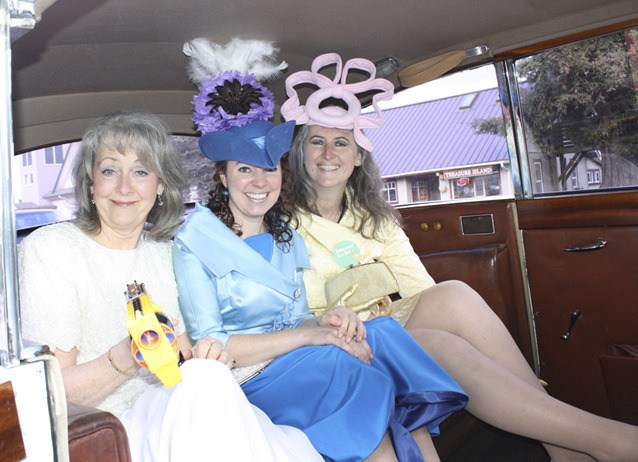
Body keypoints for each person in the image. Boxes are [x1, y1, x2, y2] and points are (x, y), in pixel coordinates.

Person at [281, 53, 638, 462]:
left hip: (384, 325)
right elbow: (289, 311)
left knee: (453, 295)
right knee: (436, 345)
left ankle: (562, 444)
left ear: (359, 156)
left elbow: (419, 291)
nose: (329, 153)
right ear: (300, 154)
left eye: (341, 142)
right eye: (317, 141)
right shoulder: (279, 226)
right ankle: (597, 444)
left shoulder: (375, 218)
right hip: (333, 342)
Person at [18, 110, 323, 462]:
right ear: (90, 182)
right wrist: (128, 357)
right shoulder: (52, 248)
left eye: (141, 171)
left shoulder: (167, 254)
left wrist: (208, 352)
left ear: (160, 185)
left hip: (176, 406)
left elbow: (186, 351)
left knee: (210, 376)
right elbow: (45, 395)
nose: (124, 187)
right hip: (105, 427)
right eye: (109, 170)